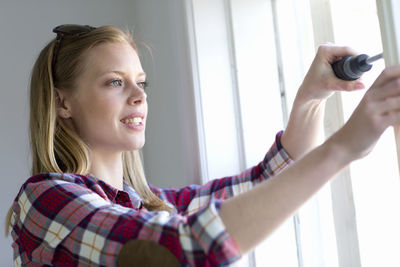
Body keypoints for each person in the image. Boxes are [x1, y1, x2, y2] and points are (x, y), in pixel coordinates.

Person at [5, 24, 400, 266]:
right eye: (114, 81)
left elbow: (268, 182)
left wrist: (312, 97)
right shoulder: (44, 201)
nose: (139, 96)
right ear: (62, 102)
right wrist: (344, 147)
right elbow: (180, 252)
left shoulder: (151, 205)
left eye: (141, 82)